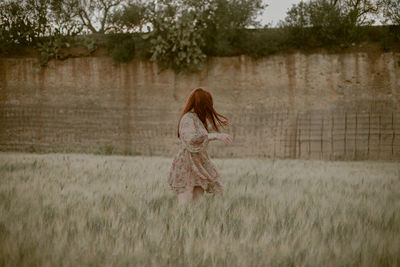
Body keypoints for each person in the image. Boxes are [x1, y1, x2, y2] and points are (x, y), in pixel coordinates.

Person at [168, 87, 233, 206]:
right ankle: (182, 224)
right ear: (201, 104)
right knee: (185, 204)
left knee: (198, 205)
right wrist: (214, 136)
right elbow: (191, 138)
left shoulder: (196, 119)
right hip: (187, 163)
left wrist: (215, 131)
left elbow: (201, 135)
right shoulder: (187, 118)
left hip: (198, 162)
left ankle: (196, 223)